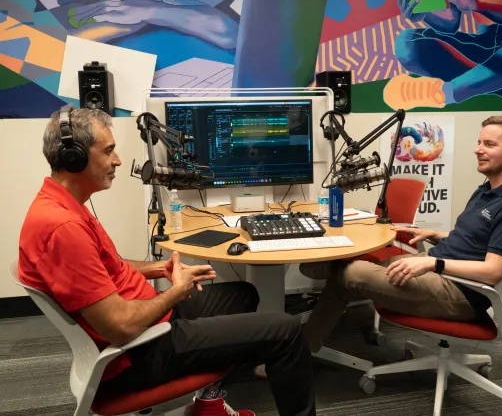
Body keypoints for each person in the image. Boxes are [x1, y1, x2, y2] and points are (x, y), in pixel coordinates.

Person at [18, 107, 316, 416]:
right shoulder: (62, 228)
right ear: (74, 159)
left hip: (145, 321)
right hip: (137, 351)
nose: (118, 160)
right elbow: (121, 326)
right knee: (287, 330)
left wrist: (161, 268)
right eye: (108, 151)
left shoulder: (59, 205)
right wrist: (176, 290)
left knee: (243, 295)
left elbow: (108, 267)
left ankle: (209, 400)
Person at [300, 115, 502, 352]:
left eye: (490, 144)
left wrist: (433, 263)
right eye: (479, 142)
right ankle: (303, 349)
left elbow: (493, 271)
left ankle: (299, 352)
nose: (478, 150)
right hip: (443, 272)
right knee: (349, 267)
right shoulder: (488, 190)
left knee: (354, 273)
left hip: (462, 293)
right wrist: (436, 235)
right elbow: (478, 240)